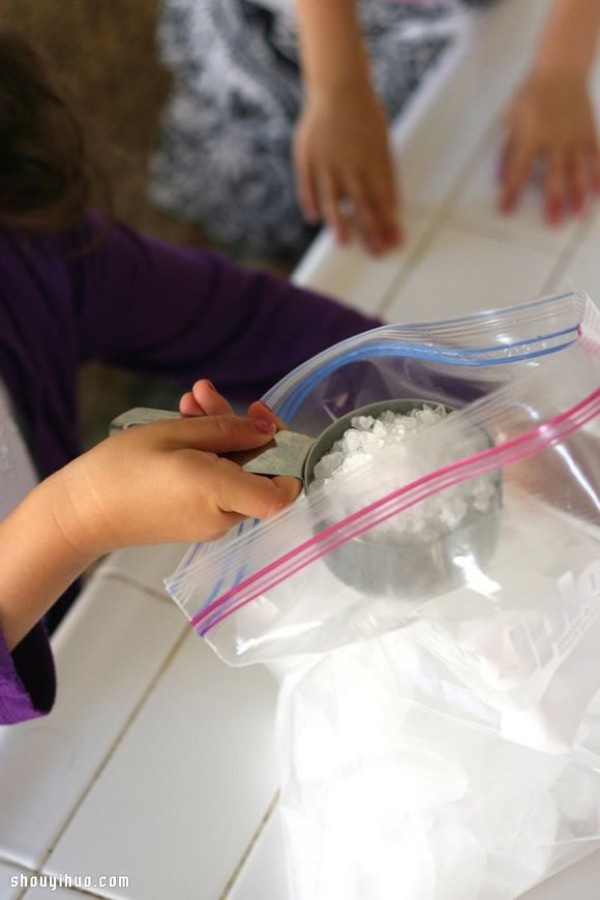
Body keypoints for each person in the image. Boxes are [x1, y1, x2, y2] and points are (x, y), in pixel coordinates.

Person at [0, 27, 382, 725]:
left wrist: (448, 399)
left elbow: (250, 322)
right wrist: (74, 518)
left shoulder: (30, 252)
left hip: (96, 649)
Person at [149, 0, 600, 259]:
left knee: (403, 146)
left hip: (428, 25)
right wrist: (338, 84)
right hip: (303, 28)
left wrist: (562, 70)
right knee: (268, 176)